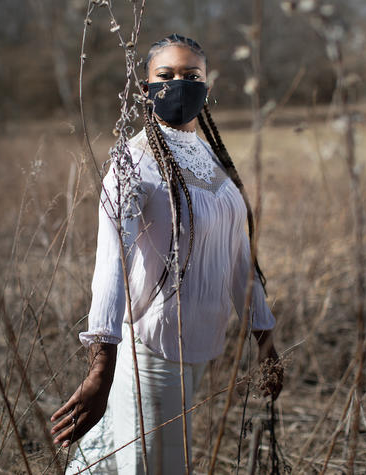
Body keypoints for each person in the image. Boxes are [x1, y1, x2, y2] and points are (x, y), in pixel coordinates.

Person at [51, 34, 282, 474]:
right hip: (150, 350)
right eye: (166, 75)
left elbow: (239, 261)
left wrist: (265, 341)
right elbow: (111, 267)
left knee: (119, 460)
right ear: (145, 89)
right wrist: (101, 368)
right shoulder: (132, 163)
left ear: (207, 88)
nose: (179, 83)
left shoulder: (213, 161)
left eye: (191, 75)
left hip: (198, 347)